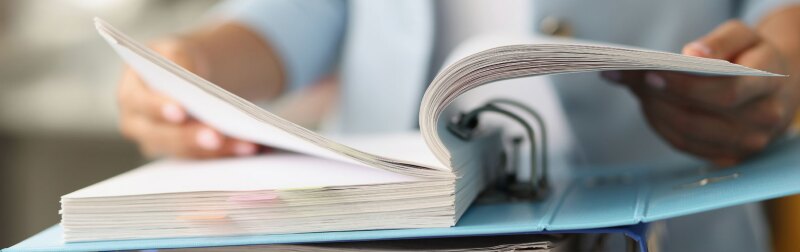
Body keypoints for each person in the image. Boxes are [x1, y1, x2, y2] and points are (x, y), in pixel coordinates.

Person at [114, 1, 800, 251]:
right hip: (392, 230)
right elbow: (298, 12)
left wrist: (782, 67)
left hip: (674, 222)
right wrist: (194, 68)